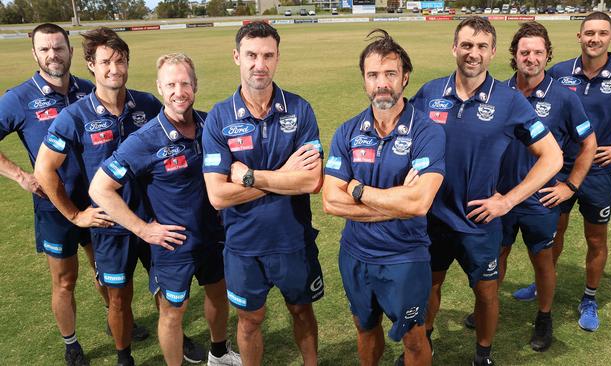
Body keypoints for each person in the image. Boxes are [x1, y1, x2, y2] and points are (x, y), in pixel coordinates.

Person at [410, 16, 563, 365]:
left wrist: (508, 199)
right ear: (454, 48)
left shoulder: (509, 101)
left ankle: (483, 355)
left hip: (480, 221)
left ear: (493, 52)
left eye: (481, 46)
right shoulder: (430, 93)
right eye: (466, 45)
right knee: (429, 286)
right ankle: (423, 345)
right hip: (432, 217)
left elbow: (553, 157)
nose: (472, 53)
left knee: (486, 291)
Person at [89, 53, 241, 366]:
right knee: (174, 312)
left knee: (217, 294)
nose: (179, 90)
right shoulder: (144, 139)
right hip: (173, 245)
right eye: (171, 84)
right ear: (159, 88)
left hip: (215, 235)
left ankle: (219, 353)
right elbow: (99, 188)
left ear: (195, 85)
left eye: (185, 83)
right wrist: (143, 229)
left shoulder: (211, 124)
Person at [462, 21, 597, 352]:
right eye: (525, 52)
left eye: (538, 52)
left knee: (542, 259)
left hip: (539, 200)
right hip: (497, 197)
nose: (531, 58)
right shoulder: (496, 91)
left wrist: (571, 185)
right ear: (514, 55)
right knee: (497, 254)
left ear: (547, 55)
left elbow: (589, 144)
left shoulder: (564, 98)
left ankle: (544, 316)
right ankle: (486, 305)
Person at [511, 11, 611, 332]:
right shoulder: (559, 72)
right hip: (557, 174)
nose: (594, 39)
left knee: (595, 238)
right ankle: (542, 284)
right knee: (552, 234)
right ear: (579, 36)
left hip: (598, 174)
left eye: (602, 33)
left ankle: (589, 297)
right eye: (589, 33)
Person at [34, 27, 161, 366]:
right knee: (119, 299)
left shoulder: (147, 104)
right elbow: (44, 169)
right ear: (91, 65)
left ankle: (177, 339)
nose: (114, 69)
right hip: (110, 227)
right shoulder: (74, 116)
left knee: (167, 293)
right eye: (105, 62)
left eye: (120, 61)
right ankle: (124, 357)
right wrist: (76, 216)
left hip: (153, 219)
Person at [202, 21, 324, 366]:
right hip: (243, 246)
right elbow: (218, 196)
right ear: (236, 57)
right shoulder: (219, 118)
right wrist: (286, 175)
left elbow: (311, 181)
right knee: (250, 320)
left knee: (302, 311)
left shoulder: (300, 110)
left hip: (293, 240)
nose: (260, 64)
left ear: (277, 58)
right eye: (252, 55)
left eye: (268, 55)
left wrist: (251, 177)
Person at [322, 29, 445, 366]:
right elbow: (331, 201)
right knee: (364, 327)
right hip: (355, 255)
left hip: (405, 258)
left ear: (405, 77)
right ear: (364, 81)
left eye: (390, 74)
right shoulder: (347, 131)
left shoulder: (427, 131)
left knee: (414, 339)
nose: (382, 83)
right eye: (373, 75)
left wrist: (358, 190)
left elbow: (419, 204)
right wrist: (396, 201)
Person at [0, 22, 106, 366]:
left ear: (71, 51)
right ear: (35, 53)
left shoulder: (89, 90)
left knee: (104, 267)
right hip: (53, 206)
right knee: (64, 280)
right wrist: (19, 175)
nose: (52, 55)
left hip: (94, 201)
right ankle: (71, 343)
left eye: (58, 47)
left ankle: (116, 317)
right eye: (45, 49)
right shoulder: (18, 98)